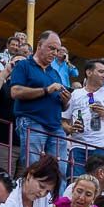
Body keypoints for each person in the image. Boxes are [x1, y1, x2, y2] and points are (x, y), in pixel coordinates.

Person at [10, 31, 70, 166]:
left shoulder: (54, 73)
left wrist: (65, 100)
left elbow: (63, 107)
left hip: (55, 126)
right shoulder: (23, 65)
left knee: (59, 169)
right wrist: (46, 90)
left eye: (57, 50)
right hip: (32, 121)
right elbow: (15, 92)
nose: (55, 53)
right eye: (51, 48)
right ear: (39, 45)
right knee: (33, 167)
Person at [63, 58, 104, 172]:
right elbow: (63, 121)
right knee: (75, 183)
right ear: (89, 73)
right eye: (101, 72)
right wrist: (71, 128)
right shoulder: (75, 94)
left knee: (101, 184)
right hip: (79, 146)